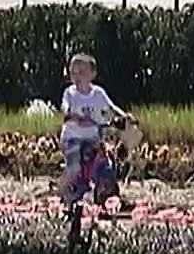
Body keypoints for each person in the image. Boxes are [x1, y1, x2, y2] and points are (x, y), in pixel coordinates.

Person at [56, 53, 135, 203]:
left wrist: (124, 116)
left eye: (81, 72)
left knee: (105, 162)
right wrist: (71, 114)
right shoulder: (70, 93)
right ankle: (61, 193)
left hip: (92, 138)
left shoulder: (98, 93)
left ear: (92, 74)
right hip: (72, 138)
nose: (76, 77)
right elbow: (65, 108)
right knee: (74, 167)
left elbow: (111, 108)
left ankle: (104, 191)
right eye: (73, 73)